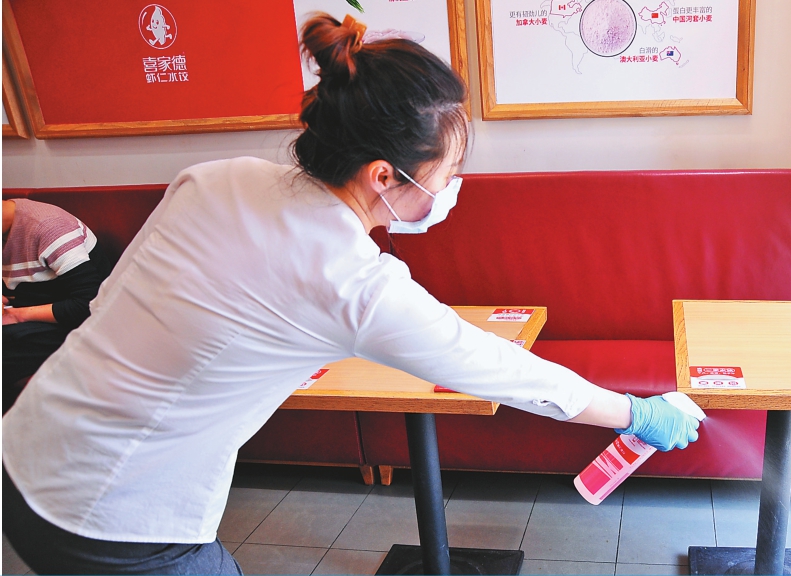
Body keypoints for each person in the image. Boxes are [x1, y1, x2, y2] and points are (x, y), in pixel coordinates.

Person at [1, 13, 701, 575]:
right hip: (112, 515)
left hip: (24, 443)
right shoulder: (351, 282)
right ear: (384, 175)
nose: (453, 188)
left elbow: (113, 301)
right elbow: (507, 372)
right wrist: (637, 413)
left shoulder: (217, 177)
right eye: (448, 171)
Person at [2, 198, 114, 413]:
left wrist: (16, 315)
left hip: (78, 323)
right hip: (31, 318)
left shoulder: (49, 228)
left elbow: (88, 304)